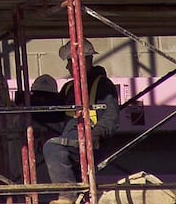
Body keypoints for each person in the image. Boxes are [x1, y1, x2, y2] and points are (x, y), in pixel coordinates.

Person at [41, 64, 119, 204]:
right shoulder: (70, 87)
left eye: (71, 61)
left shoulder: (103, 85)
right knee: (61, 152)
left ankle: (67, 197)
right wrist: (30, 102)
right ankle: (76, 198)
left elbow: (111, 117)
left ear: (86, 59)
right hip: (72, 139)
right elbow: (53, 113)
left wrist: (96, 134)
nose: (67, 66)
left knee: (53, 147)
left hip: (92, 140)